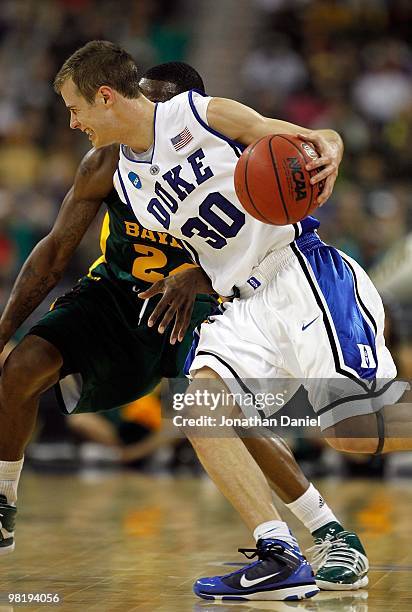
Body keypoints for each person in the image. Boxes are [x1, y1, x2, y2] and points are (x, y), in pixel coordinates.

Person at [52, 41, 411, 600]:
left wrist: (330, 149)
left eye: (76, 109)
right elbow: (212, 245)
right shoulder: (126, 183)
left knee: (352, 436)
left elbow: (306, 138)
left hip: (299, 273)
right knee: (201, 404)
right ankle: (280, 551)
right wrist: (193, 274)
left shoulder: (201, 113)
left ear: (104, 97)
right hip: (239, 302)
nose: (73, 123)